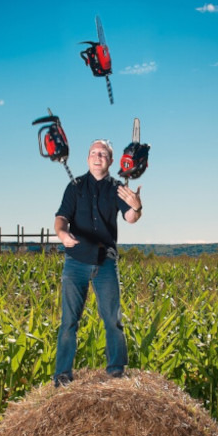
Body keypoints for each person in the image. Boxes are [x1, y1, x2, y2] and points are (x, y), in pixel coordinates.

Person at [53, 139, 143, 387]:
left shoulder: (117, 189)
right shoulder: (74, 186)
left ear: (111, 161)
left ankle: (116, 372)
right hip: (75, 262)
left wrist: (137, 206)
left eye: (103, 154)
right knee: (69, 321)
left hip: (105, 262)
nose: (97, 157)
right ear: (87, 158)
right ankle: (62, 374)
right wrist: (62, 235)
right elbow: (61, 218)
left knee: (112, 319)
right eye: (93, 152)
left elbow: (130, 217)